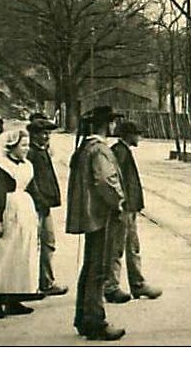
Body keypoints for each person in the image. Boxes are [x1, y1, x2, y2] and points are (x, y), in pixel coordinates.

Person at [66, 106, 127, 340]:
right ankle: (95, 321)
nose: (114, 126)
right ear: (107, 124)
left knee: (90, 265)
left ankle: (83, 317)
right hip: (101, 216)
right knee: (99, 268)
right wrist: (118, 201)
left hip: (91, 216)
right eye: (112, 122)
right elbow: (105, 179)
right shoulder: (100, 149)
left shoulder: (85, 147)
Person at [0, 130, 45, 318]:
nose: (26, 149)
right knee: (2, 257)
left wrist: (40, 208)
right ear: (12, 146)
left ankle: (14, 300)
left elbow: (33, 189)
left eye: (27, 145)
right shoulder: (1, 167)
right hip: (7, 213)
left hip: (24, 213)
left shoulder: (28, 166)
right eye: (23, 145)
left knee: (20, 257)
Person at [105, 120, 162, 303]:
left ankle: (137, 284)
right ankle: (112, 286)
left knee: (132, 246)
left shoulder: (122, 151)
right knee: (118, 247)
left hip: (130, 207)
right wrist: (120, 203)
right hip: (123, 208)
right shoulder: (119, 152)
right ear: (128, 135)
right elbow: (116, 180)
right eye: (137, 134)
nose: (140, 137)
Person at [26, 116, 68, 297]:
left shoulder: (42, 152)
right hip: (37, 205)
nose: (47, 137)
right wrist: (41, 200)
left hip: (44, 205)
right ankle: (36, 284)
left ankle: (45, 281)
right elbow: (30, 181)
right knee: (38, 244)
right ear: (34, 135)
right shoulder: (31, 154)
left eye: (48, 133)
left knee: (48, 243)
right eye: (44, 133)